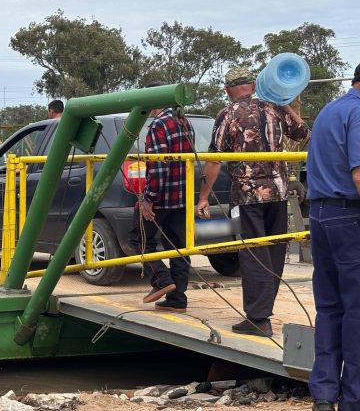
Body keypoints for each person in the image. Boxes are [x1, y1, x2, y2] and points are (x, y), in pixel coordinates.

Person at [197, 66, 309, 337]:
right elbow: (303, 133)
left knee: (253, 253)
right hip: (279, 192)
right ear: (253, 84)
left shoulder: (228, 113)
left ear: (228, 89)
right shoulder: (275, 107)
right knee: (273, 251)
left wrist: (203, 197)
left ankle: (258, 319)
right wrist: (284, 103)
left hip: (248, 195)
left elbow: (214, 160)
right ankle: (264, 312)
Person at [306, 64, 360, 411]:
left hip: (320, 214)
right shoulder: (358, 112)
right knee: (356, 308)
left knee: (329, 307)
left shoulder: (329, 109)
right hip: (349, 217)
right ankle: (355, 398)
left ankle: (324, 395)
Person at [129, 82, 194, 313]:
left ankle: (161, 280)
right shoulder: (184, 121)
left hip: (162, 197)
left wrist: (148, 199)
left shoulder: (158, 124)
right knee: (178, 247)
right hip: (182, 195)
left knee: (139, 239)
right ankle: (178, 300)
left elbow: (157, 167)